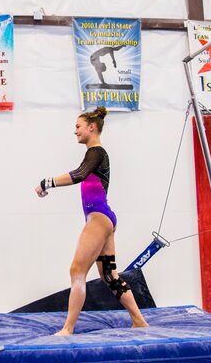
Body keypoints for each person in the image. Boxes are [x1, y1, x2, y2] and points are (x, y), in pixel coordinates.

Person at [35, 107, 148, 335]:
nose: (75, 131)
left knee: (77, 271)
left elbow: (79, 174)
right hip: (105, 218)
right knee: (109, 276)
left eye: (78, 127)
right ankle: (139, 320)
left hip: (98, 217)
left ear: (91, 127)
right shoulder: (95, 153)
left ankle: (68, 328)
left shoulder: (96, 151)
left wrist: (46, 182)